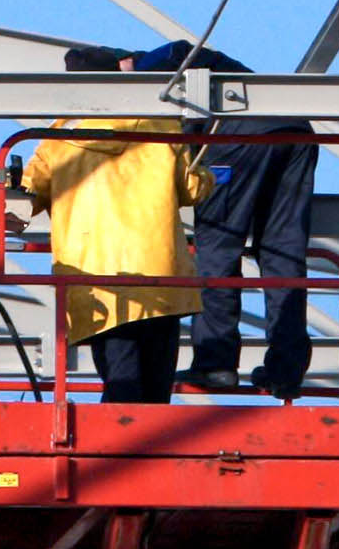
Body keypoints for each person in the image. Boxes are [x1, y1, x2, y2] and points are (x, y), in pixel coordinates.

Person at [21, 45, 205, 405]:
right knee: (155, 397)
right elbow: (194, 188)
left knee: (121, 388)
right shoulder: (159, 124)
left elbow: (20, 202)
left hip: (99, 280)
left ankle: (119, 452)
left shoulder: (58, 140)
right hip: (161, 278)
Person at [133, 40, 317, 400]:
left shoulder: (150, 67)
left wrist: (135, 67)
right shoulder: (217, 70)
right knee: (283, 251)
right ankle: (286, 368)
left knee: (217, 245)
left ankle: (216, 362)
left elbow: (178, 50)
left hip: (239, 134)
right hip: (294, 129)